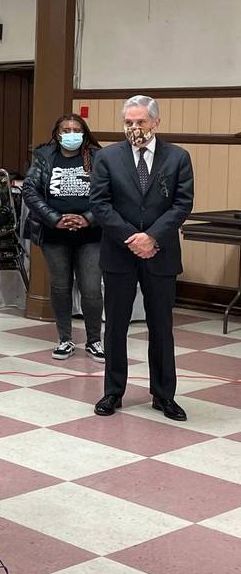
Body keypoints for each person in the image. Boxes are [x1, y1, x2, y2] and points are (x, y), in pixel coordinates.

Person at [91, 95, 194, 422]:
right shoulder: (107, 157)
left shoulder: (178, 157)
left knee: (161, 326)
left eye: (141, 122)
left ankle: (164, 395)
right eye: (129, 123)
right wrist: (131, 238)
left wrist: (152, 237)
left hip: (160, 253)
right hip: (119, 253)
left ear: (156, 123)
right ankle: (113, 391)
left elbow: (182, 204)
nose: (135, 128)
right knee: (116, 326)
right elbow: (100, 203)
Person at [22, 114, 105, 363]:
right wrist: (55, 218)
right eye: (66, 129)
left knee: (91, 287)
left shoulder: (99, 157)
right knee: (60, 286)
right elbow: (29, 190)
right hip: (53, 233)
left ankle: (94, 340)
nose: (71, 134)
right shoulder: (45, 156)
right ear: (57, 134)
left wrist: (87, 218)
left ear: (84, 133)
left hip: (91, 233)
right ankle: (65, 339)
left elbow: (109, 193)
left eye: (76, 129)